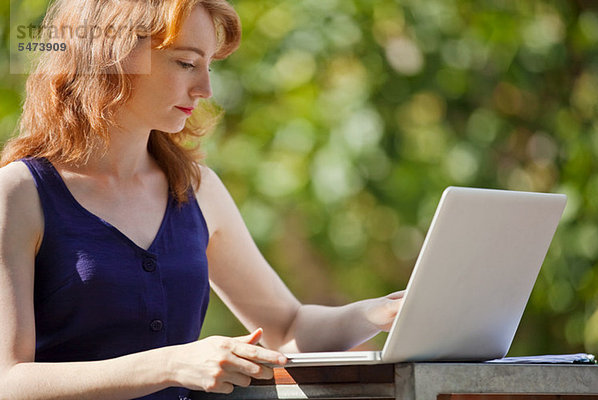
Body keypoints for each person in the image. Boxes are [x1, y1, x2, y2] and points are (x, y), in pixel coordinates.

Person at [0, 0, 404, 398]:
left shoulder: (198, 188)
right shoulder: (18, 193)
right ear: (112, 55)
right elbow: (8, 379)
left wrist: (377, 313)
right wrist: (170, 365)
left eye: (209, 66)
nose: (206, 88)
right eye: (186, 63)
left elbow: (287, 328)